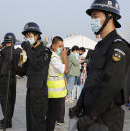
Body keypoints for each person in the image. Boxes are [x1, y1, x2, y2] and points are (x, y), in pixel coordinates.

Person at [70, 0, 130, 131]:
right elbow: (90, 81)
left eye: (95, 16)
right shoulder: (99, 47)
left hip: (105, 120)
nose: (92, 21)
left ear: (110, 16)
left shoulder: (118, 46)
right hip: (90, 115)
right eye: (91, 17)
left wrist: (92, 116)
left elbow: (112, 84)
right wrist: (78, 106)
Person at [14, 22, 52, 131]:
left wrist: (27, 48)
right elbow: (21, 71)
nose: (27, 38)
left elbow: (37, 64)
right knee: (30, 120)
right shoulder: (32, 53)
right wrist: (20, 57)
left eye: (30, 36)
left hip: (40, 91)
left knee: (38, 122)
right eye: (26, 36)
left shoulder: (45, 52)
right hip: (30, 90)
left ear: (37, 36)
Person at [0, 33, 20, 129]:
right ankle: (7, 119)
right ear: (13, 41)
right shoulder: (18, 53)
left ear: (5, 42)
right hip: (13, 79)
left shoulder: (2, 52)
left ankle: (7, 121)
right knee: (11, 100)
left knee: (4, 100)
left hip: (4, 79)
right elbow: (20, 67)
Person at [46, 36, 68, 131]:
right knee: (52, 117)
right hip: (54, 93)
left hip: (57, 92)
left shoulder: (55, 56)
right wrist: (64, 56)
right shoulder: (54, 58)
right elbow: (66, 70)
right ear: (53, 46)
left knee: (51, 116)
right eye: (60, 46)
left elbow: (61, 73)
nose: (62, 49)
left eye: (63, 46)